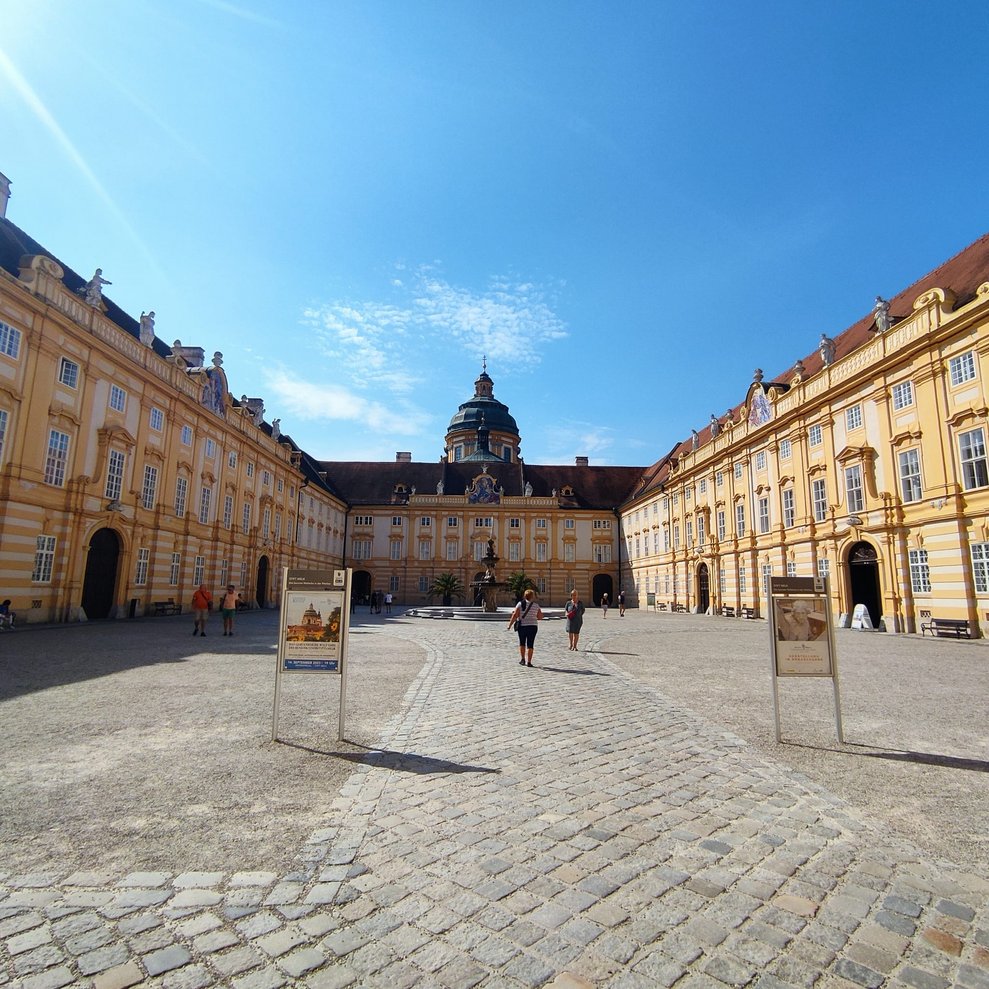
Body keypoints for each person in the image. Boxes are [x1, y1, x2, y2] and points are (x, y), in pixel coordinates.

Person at [507, 588, 542, 667]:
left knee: (522, 643)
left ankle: (523, 659)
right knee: (530, 644)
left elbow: (515, 615)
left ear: (525, 596)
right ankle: (529, 662)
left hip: (522, 626)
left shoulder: (520, 604)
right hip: (533, 626)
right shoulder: (536, 606)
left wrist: (510, 625)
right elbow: (540, 617)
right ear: (532, 596)